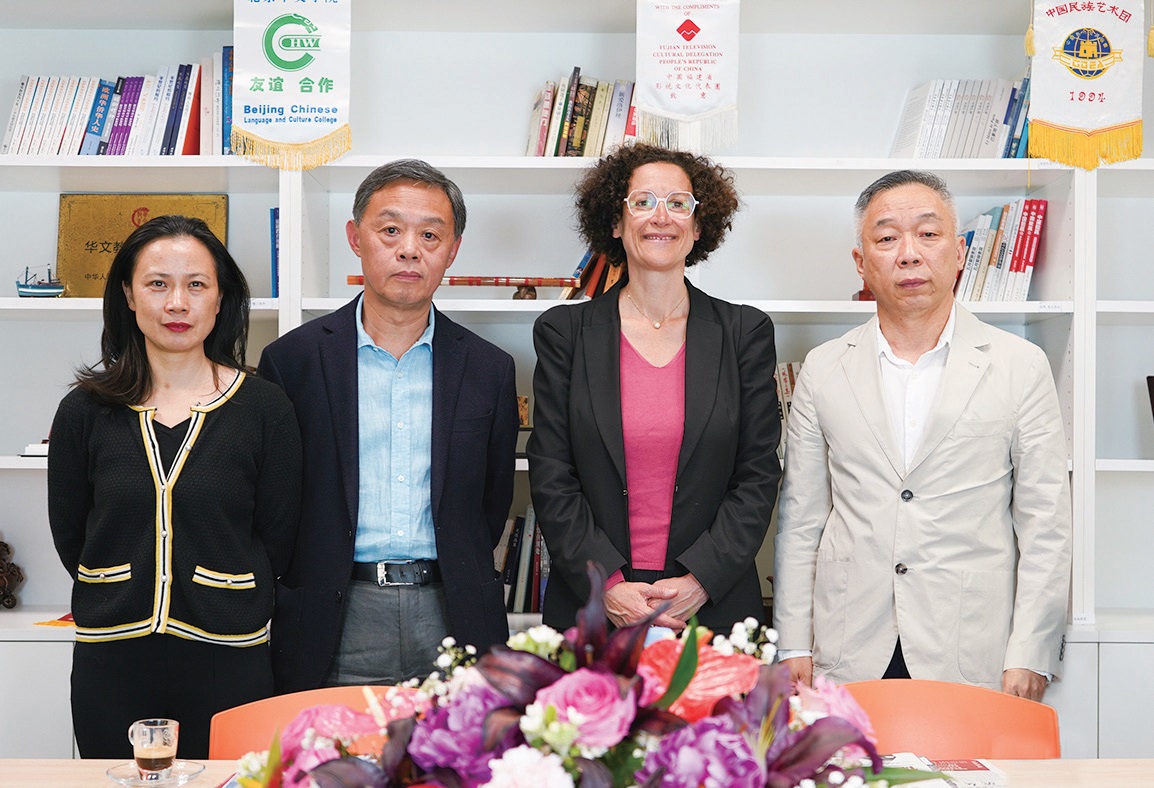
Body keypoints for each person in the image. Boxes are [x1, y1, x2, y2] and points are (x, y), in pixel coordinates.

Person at [773, 170, 1072, 701]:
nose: (909, 254)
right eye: (887, 238)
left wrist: (1032, 649)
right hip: (848, 643)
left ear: (959, 253)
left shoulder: (1020, 365)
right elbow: (801, 519)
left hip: (971, 644)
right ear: (861, 262)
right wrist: (793, 641)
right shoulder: (823, 368)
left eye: (928, 234)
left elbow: (1045, 522)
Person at [258, 159, 519, 692]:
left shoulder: (489, 369)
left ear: (452, 250)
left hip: (454, 611)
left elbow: (492, 503)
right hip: (332, 613)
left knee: (458, 746)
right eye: (391, 230)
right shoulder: (292, 361)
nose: (409, 250)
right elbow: (276, 504)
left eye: (430, 235)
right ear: (356, 238)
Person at [47, 215, 303, 758]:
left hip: (229, 654)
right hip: (111, 658)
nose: (177, 304)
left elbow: (279, 535)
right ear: (128, 295)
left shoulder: (264, 408)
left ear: (221, 298)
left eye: (197, 285)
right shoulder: (84, 411)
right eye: (158, 284)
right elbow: (70, 532)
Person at [527, 143, 782, 634]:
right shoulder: (565, 334)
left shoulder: (744, 333)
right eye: (642, 202)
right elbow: (552, 472)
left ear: (698, 226)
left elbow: (757, 475)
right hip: (594, 604)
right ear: (616, 222)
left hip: (713, 604)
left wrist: (700, 581)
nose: (660, 217)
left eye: (678, 203)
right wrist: (607, 585)